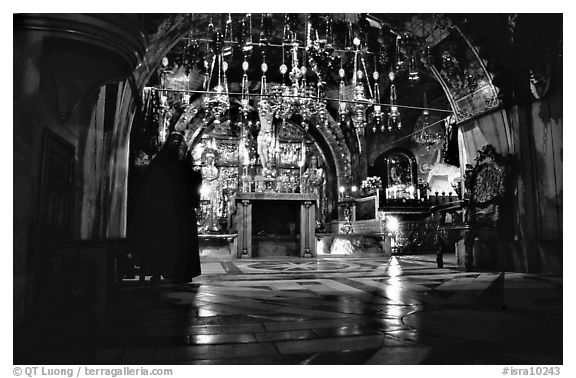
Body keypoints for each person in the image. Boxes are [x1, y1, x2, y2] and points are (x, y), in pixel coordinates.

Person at [128, 131, 202, 283]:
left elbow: (192, 191)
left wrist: (195, 180)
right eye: (176, 147)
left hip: (181, 212)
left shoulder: (184, 167)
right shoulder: (159, 168)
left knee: (181, 242)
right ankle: (158, 269)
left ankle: (181, 271)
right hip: (163, 213)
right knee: (163, 242)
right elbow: (151, 192)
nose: (179, 151)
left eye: (181, 147)